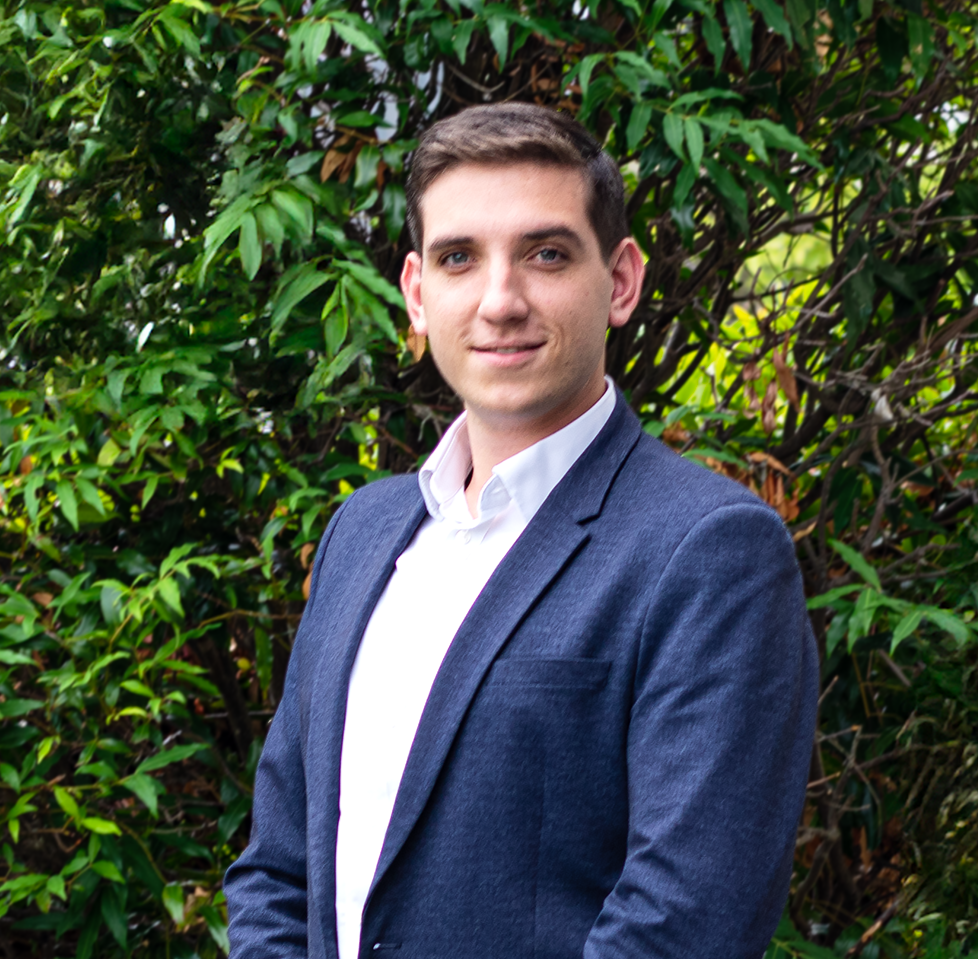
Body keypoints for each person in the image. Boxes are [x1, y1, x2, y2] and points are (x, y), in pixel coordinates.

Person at [224, 103, 819, 959]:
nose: (500, 301)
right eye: (459, 258)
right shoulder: (365, 530)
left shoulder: (710, 551)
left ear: (619, 282)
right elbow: (277, 868)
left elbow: (683, 926)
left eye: (545, 254)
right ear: (418, 294)